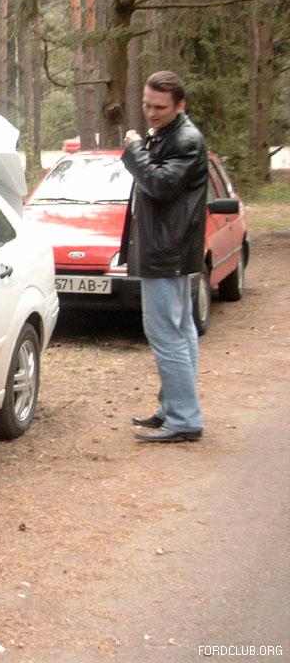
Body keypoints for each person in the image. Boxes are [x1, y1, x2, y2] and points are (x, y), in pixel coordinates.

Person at [121, 70, 209, 443]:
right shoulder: (169, 133)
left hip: (167, 251)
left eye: (159, 107)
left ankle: (184, 418)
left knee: (165, 333)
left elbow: (159, 184)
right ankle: (174, 407)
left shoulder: (186, 140)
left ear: (180, 105)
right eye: (147, 105)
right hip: (171, 248)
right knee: (181, 331)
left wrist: (134, 149)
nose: (151, 112)